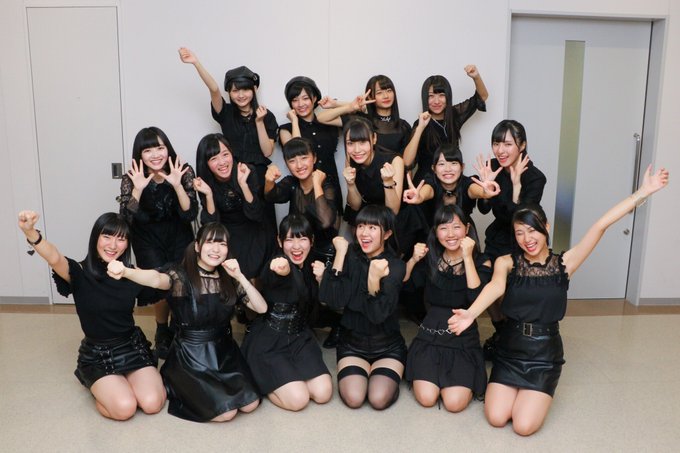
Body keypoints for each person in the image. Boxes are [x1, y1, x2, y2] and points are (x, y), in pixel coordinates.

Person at [447, 165, 669, 435]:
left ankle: (534, 392)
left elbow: (600, 225)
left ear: (546, 227)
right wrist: (471, 314)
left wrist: (642, 192)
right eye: (519, 233)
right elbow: (494, 288)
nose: (527, 239)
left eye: (532, 230)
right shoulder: (506, 262)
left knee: (523, 426)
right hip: (510, 350)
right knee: (496, 417)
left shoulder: (565, 263)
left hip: (544, 355)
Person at [107, 222, 267, 422]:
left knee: (250, 404)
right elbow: (156, 279)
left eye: (222, 244)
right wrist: (126, 272)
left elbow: (261, 308)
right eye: (210, 242)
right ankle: (176, 381)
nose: (216, 249)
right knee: (226, 413)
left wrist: (240, 276)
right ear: (198, 246)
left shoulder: (228, 278)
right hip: (191, 356)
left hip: (224, 353)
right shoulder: (181, 275)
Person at [17, 210, 166, 420]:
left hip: (131, 346)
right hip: (98, 354)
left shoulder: (130, 273)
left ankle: (121, 385)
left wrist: (129, 272)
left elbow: (163, 282)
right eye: (107, 236)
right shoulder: (78, 272)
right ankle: (102, 388)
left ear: (127, 244)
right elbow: (54, 257)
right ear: (95, 238)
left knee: (152, 403)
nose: (113, 245)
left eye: (121, 239)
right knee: (125, 408)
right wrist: (31, 232)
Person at [315, 205, 406, 410]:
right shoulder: (350, 256)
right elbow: (331, 300)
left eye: (373, 228)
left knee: (378, 399)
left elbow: (377, 315)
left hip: (387, 347)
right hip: (352, 344)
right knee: (354, 399)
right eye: (361, 226)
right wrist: (340, 254)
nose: (364, 233)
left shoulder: (395, 266)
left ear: (387, 234)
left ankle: (389, 375)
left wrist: (373, 279)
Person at [118, 126, 198, 359]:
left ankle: (179, 327)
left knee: (181, 282)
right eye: (148, 150)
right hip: (147, 239)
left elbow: (190, 214)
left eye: (160, 148)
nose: (155, 155)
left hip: (179, 235)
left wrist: (177, 185)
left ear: (167, 148)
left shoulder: (182, 171)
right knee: (159, 285)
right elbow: (125, 218)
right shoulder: (132, 177)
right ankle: (162, 329)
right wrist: (138, 189)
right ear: (140, 154)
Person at [403, 205, 491, 412]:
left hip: (462, 338)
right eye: (443, 228)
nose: (450, 234)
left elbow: (476, 298)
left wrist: (467, 257)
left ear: (467, 229)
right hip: (430, 336)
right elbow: (403, 285)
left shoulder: (482, 260)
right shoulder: (431, 258)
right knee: (426, 398)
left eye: (456, 227)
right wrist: (413, 260)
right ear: (436, 232)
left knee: (454, 404)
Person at [178, 47, 278, 229]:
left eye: (245, 90)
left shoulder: (266, 115)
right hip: (232, 175)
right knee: (233, 223)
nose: (241, 95)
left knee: (264, 223)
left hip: (260, 178)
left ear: (254, 89)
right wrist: (195, 63)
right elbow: (214, 89)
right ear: (229, 93)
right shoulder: (226, 113)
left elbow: (267, 151)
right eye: (235, 91)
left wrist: (259, 122)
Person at [241, 214, 333, 411]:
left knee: (323, 393)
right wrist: (280, 267)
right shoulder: (279, 262)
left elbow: (325, 302)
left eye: (302, 239)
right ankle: (265, 382)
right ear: (279, 241)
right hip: (270, 341)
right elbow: (277, 271)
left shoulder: (312, 265)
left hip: (300, 338)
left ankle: (289, 378)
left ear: (312, 241)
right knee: (299, 400)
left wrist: (321, 279)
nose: (296, 246)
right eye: (289, 239)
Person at [475, 120, 547, 358]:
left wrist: (516, 187)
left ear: (522, 145)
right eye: (496, 143)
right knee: (484, 281)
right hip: (497, 239)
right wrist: (485, 191)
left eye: (507, 144)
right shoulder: (493, 168)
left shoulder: (535, 178)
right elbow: (484, 209)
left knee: (512, 291)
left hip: (523, 242)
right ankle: (502, 331)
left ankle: (512, 336)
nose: (500, 150)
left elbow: (520, 220)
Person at [264, 137, 343, 347]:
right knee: (297, 290)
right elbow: (271, 196)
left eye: (303, 158)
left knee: (321, 295)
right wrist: (269, 180)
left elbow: (325, 221)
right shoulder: (291, 183)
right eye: (292, 160)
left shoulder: (327, 184)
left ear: (314, 158)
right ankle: (304, 321)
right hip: (300, 249)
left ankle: (338, 324)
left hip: (324, 250)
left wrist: (316, 183)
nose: (299, 165)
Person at [193, 133, 276, 282]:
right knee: (233, 274)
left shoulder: (246, 171)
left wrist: (243, 184)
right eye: (214, 158)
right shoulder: (205, 183)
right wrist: (209, 194)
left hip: (256, 231)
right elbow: (211, 226)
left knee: (257, 274)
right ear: (206, 163)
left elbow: (256, 214)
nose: (222, 162)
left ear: (232, 153)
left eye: (225, 154)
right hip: (229, 236)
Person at [403, 66, 488, 183]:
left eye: (441, 95)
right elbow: (407, 162)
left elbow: (482, 97)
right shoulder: (420, 123)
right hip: (426, 180)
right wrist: (420, 128)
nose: (436, 101)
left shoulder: (454, 115)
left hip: (451, 178)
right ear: (425, 98)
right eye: (431, 96)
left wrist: (476, 77)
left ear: (448, 96)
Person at [279, 76, 342, 213]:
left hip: (330, 188)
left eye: (305, 98)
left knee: (331, 225)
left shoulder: (329, 123)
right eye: (295, 100)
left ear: (314, 99)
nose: (300, 104)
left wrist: (336, 104)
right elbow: (296, 150)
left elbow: (361, 112)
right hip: (303, 193)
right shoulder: (286, 130)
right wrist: (295, 121)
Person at [402, 143, 500, 224]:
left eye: (453, 163)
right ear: (434, 169)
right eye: (441, 164)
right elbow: (427, 191)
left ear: (462, 167)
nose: (448, 169)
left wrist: (486, 191)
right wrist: (420, 197)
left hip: (463, 234)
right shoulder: (431, 183)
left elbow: (475, 190)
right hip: (432, 234)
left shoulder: (467, 183)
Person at [316, 75, 412, 155]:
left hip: (395, 172)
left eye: (389, 91)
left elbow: (407, 163)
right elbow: (321, 118)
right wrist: (349, 107)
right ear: (370, 97)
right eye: (379, 92)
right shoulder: (361, 120)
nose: (386, 96)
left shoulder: (403, 126)